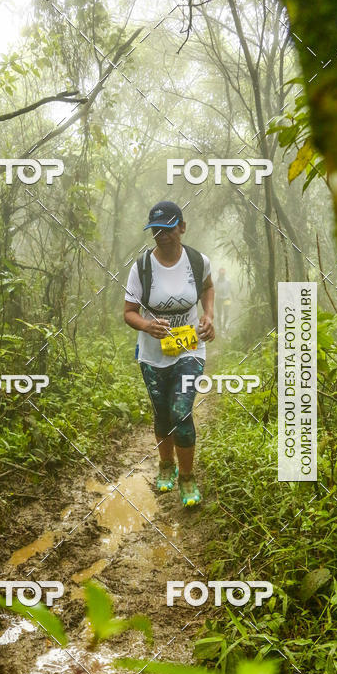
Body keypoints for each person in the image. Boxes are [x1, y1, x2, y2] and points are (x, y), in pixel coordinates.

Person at [124, 200, 215, 507]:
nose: (162, 235)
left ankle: (187, 479)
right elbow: (128, 312)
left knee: (181, 411)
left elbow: (208, 287)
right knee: (162, 412)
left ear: (182, 227)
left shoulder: (197, 260)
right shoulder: (142, 267)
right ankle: (166, 465)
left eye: (168, 228)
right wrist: (147, 326)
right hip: (152, 355)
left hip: (189, 349)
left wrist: (209, 316)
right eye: (156, 230)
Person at [214, 267, 232, 333]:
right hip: (218, 299)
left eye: (223, 274)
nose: (221, 275)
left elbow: (231, 290)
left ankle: (224, 326)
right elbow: (213, 290)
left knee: (226, 313)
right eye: (220, 274)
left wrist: (233, 297)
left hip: (226, 298)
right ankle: (219, 327)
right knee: (219, 314)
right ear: (219, 274)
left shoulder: (228, 281)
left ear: (224, 274)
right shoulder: (215, 282)